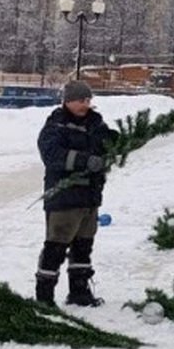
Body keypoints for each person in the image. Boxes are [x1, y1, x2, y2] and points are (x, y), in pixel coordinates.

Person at [35, 80, 115, 306]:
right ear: (67, 101)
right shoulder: (56, 125)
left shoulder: (96, 124)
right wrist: (84, 161)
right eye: (81, 100)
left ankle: (79, 291)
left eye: (88, 100)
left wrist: (115, 142)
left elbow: (105, 144)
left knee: (83, 246)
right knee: (56, 247)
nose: (85, 104)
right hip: (64, 198)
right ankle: (44, 297)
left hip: (89, 197)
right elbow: (51, 154)